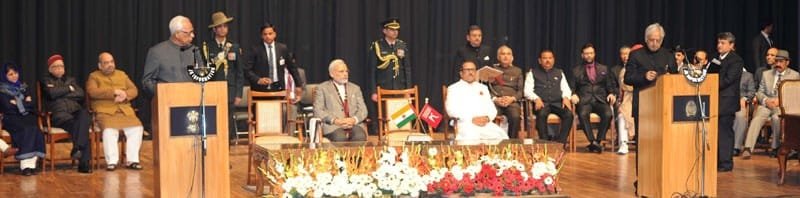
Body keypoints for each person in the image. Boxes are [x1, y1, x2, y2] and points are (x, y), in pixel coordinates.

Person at [87, 52, 145, 171]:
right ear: (100, 65)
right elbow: (92, 92)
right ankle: (112, 161)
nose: (110, 65)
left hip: (124, 110)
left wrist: (125, 95)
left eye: (111, 62)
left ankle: (132, 160)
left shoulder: (122, 75)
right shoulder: (94, 76)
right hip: (105, 111)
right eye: (106, 63)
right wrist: (113, 92)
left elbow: (134, 90)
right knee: (109, 130)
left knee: (137, 128)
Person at [742, 50, 800, 159]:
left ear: (787, 62)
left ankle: (775, 147)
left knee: (776, 118)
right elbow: (759, 92)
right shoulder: (766, 74)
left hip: (782, 106)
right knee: (757, 118)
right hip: (766, 104)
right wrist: (765, 100)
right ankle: (748, 148)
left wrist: (781, 100)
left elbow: (795, 94)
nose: (778, 64)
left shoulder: (794, 75)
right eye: (776, 61)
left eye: (781, 61)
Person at [40, 54, 92, 173]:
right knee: (81, 128)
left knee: (84, 114)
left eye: (61, 66)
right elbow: (52, 94)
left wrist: (62, 91)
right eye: (56, 67)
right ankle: (84, 163)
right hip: (60, 115)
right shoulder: (46, 80)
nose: (59, 69)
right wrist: (69, 89)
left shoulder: (71, 79)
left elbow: (80, 94)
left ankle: (77, 148)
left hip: (75, 111)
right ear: (50, 69)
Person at [0, 62, 46, 176]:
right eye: (10, 74)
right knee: (25, 129)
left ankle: (32, 165)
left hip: (26, 115)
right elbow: (7, 107)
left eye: (15, 73)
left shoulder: (24, 87)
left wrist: (17, 103)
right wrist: (25, 103)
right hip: (11, 118)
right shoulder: (2, 90)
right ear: (5, 76)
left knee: (35, 129)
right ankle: (25, 166)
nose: (14, 76)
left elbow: (32, 105)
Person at [570, 43, 617, 153]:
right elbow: (572, 87)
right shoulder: (576, 70)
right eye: (586, 54)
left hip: (600, 100)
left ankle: (597, 142)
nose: (589, 56)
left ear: (594, 54)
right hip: (585, 100)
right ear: (582, 55)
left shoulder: (603, 68)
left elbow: (610, 86)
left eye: (591, 53)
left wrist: (611, 93)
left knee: (608, 114)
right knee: (582, 114)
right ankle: (592, 141)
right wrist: (573, 94)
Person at [206, 11, 245, 144]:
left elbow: (240, 72)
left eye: (225, 26)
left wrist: (239, 94)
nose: (223, 29)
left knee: (227, 121)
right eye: (220, 26)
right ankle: (215, 148)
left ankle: (226, 150)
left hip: (230, 90)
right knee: (214, 120)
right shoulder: (207, 47)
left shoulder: (234, 47)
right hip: (213, 89)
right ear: (215, 29)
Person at [447, 60, 509, 141]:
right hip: (466, 123)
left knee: (501, 136)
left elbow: (492, 109)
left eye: (473, 70)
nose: (471, 72)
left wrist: (487, 118)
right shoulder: (453, 88)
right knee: (471, 138)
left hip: (485, 124)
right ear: (461, 73)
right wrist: (471, 119)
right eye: (467, 70)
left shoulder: (483, 88)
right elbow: (451, 110)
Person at [524, 50, 573, 144]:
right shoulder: (532, 73)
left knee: (569, 115)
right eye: (545, 58)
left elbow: (566, 88)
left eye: (550, 58)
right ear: (539, 60)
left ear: (553, 60)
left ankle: (560, 143)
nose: (547, 60)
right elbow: (527, 91)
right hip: (542, 103)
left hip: (557, 103)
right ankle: (545, 142)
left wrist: (566, 97)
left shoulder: (559, 72)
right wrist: (536, 98)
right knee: (541, 115)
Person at [711, 32, 744, 172]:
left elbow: (728, 80)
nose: (719, 45)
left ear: (731, 45)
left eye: (723, 43)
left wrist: (710, 84)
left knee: (725, 132)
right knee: (716, 132)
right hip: (715, 100)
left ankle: (726, 163)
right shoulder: (716, 59)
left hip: (727, 102)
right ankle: (717, 161)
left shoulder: (736, 60)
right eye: (718, 42)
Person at [142, 15, 200, 94]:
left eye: (192, 31)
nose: (193, 35)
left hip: (193, 100)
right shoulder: (157, 52)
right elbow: (147, 82)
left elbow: (201, 75)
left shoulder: (194, 50)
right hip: (167, 102)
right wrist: (165, 92)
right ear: (177, 34)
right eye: (188, 33)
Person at [313, 59, 368, 142]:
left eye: (346, 71)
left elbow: (363, 110)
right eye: (341, 71)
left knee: (360, 136)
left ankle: (355, 156)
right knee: (340, 138)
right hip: (334, 125)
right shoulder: (322, 88)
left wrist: (354, 119)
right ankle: (341, 156)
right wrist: (336, 121)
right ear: (332, 74)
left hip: (353, 124)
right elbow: (318, 110)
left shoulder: (355, 88)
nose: (345, 74)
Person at [243, 23, 301, 94]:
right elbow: (246, 69)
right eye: (265, 34)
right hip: (260, 89)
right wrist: (258, 80)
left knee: (278, 105)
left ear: (275, 34)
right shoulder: (255, 49)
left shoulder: (282, 48)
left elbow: (292, 68)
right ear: (261, 36)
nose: (268, 36)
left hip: (278, 88)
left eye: (270, 34)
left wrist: (298, 85)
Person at [368, 17, 412, 101]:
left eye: (397, 29)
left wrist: (408, 90)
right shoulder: (377, 46)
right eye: (392, 29)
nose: (395, 32)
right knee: (385, 113)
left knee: (401, 113)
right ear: (384, 31)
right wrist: (373, 91)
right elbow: (372, 70)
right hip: (383, 87)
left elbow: (407, 69)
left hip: (400, 88)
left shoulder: (402, 45)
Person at [489, 45, 523, 138]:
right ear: (498, 57)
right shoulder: (491, 70)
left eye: (508, 54)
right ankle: (492, 143)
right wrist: (495, 99)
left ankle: (512, 144)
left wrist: (512, 99)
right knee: (488, 115)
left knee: (515, 117)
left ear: (512, 57)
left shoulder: (518, 71)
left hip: (511, 102)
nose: (505, 56)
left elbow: (520, 91)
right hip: (495, 102)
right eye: (503, 54)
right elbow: (486, 89)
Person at [613, 45, 637, 154]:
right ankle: (623, 143)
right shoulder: (625, 70)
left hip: (645, 99)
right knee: (622, 114)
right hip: (628, 99)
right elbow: (626, 86)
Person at [733, 67, 755, 157]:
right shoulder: (723, 72)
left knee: (740, 116)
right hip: (724, 101)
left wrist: (744, 98)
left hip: (740, 102)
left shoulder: (748, 76)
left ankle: (736, 147)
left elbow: (751, 92)